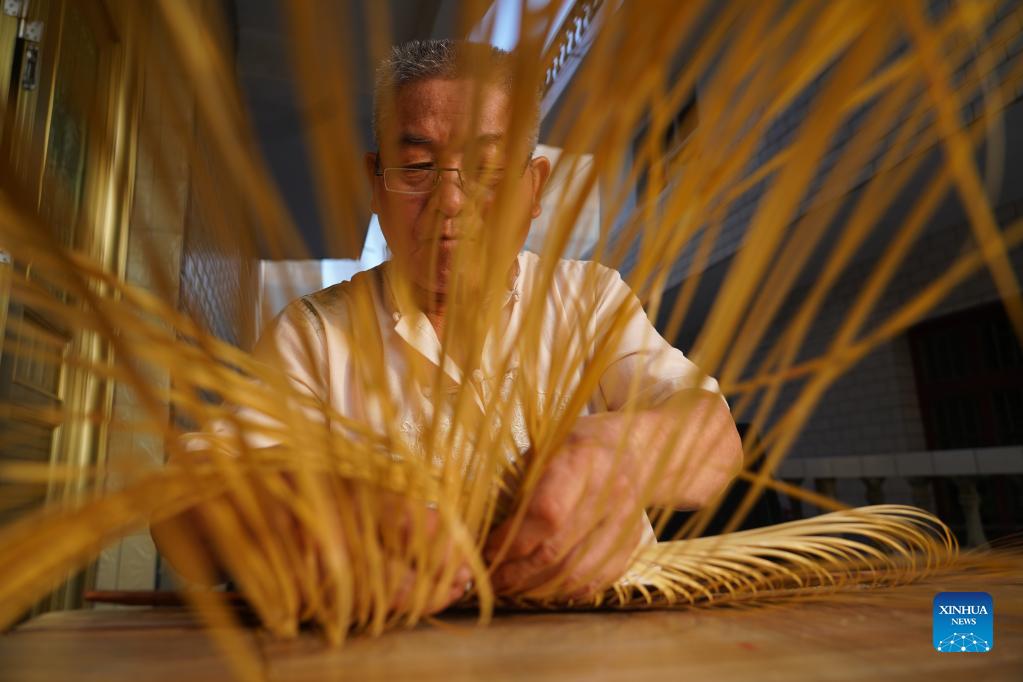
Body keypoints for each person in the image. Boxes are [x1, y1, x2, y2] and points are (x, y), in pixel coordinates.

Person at [155, 39, 742, 612]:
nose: (451, 202)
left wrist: (621, 455)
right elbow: (185, 504)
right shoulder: (315, 335)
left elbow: (713, 440)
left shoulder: (587, 298)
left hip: (610, 644)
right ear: (375, 184)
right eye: (417, 167)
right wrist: (285, 510)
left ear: (533, 187)